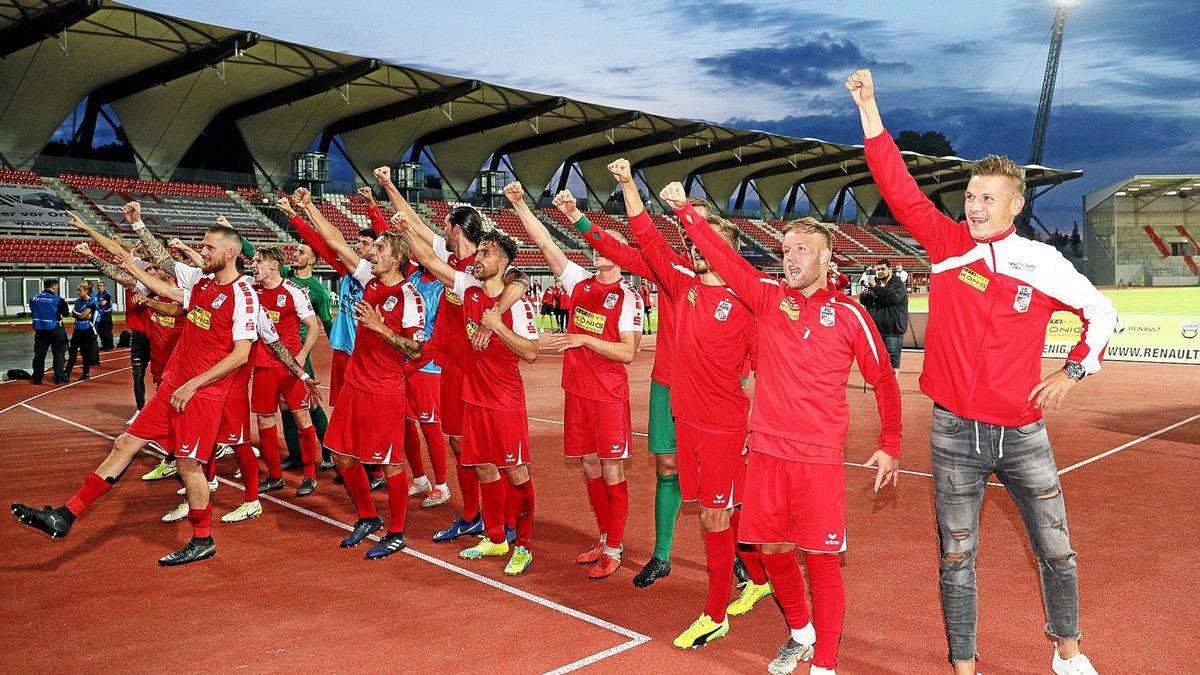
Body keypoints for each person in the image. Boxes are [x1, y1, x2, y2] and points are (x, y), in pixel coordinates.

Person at [849, 68, 1119, 675]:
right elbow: (898, 187)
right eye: (969, 196)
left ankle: (1069, 653)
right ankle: (963, 665)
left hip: (1023, 434)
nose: (973, 206)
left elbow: (1101, 314)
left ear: (1016, 203)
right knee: (956, 558)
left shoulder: (1043, 262)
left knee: (1057, 549)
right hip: (952, 434)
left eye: (987, 198)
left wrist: (1073, 370)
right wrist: (870, 109)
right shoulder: (947, 247)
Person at [665, 181, 901, 675]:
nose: (790, 257)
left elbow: (882, 377)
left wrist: (890, 443)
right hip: (767, 451)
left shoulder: (852, 315)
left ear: (827, 256)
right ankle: (801, 632)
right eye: (785, 249)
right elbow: (727, 263)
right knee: (770, 550)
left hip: (817, 457)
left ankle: (825, 665)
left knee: (820, 559)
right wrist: (688, 214)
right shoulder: (770, 299)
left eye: (801, 249)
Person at [11, 202, 260, 566]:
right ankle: (65, 516)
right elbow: (169, 274)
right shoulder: (201, 281)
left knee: (189, 465)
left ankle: (203, 539)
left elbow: (240, 355)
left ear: (231, 252)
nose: (201, 252)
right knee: (125, 442)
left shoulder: (244, 295)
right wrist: (138, 228)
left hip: (202, 394)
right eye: (202, 246)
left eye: (208, 248)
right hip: (173, 387)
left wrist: (193, 385)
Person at [590, 159, 770, 646]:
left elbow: (766, 376)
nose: (695, 246)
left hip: (724, 429)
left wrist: (760, 430)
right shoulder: (683, 285)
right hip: (685, 420)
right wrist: (629, 184)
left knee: (716, 516)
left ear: (730, 253)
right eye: (693, 239)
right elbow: (646, 238)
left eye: (706, 241)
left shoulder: (750, 306)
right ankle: (757, 578)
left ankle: (715, 614)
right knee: (724, 514)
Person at [373, 165, 529, 544]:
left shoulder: (484, 266)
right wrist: (390, 187)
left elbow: (521, 277)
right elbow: (417, 232)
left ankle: (505, 521)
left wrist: (494, 319)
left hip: (477, 368)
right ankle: (474, 514)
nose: (439, 229)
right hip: (449, 362)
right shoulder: (454, 261)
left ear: (457, 229)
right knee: (460, 442)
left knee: (486, 452)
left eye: (444, 225)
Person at [510, 181, 641, 579]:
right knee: (588, 467)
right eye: (597, 243)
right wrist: (519, 204)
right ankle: (603, 537)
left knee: (612, 468)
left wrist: (584, 337)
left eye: (609, 243)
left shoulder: (627, 295)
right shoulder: (578, 281)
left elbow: (628, 353)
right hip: (578, 393)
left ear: (619, 254)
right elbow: (546, 242)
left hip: (607, 396)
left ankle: (615, 548)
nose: (599, 247)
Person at [402, 214, 539, 575]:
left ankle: (523, 544)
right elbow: (431, 261)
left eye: (487, 254)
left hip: (505, 400)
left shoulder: (520, 306)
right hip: (473, 398)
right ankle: (495, 537)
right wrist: (404, 229)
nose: (477, 259)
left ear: (504, 263)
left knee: (516, 471)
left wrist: (495, 327)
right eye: (477, 252)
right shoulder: (468, 288)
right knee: (482, 466)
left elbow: (530, 352)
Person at [309, 208, 427, 560]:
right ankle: (367, 516)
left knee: (391, 463)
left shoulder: (410, 297)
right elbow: (334, 242)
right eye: (371, 247)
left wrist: (380, 328)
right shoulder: (369, 280)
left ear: (398, 257)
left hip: (384, 390)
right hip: (355, 386)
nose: (370, 252)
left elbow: (416, 351)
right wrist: (309, 208)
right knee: (342, 455)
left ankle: (396, 532)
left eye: (379, 247)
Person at [247, 247, 323, 497]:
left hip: (289, 366)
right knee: (264, 419)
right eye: (253, 260)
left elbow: (312, 327)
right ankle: (275, 475)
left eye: (259, 261)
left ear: (273, 266)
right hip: (262, 366)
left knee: (302, 418)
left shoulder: (294, 291)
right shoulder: (250, 288)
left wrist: (300, 357)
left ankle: (310, 474)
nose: (253, 265)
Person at [858, 259, 908, 375]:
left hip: (892, 331)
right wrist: (865, 295)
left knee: (892, 361)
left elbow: (891, 297)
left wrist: (874, 287)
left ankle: (892, 388)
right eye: (878, 269)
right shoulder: (875, 282)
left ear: (890, 269)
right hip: (876, 330)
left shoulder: (897, 284)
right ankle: (881, 385)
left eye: (883, 269)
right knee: (877, 360)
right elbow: (866, 302)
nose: (880, 271)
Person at [29, 278, 69, 385]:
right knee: (59, 354)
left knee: (39, 355)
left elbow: (33, 310)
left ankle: (37, 378)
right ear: (54, 286)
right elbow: (65, 314)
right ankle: (59, 377)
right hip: (55, 329)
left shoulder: (34, 298)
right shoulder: (58, 300)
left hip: (40, 329)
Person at [64, 281, 99, 381]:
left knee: (85, 353)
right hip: (77, 329)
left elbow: (82, 315)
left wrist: (77, 313)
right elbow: (80, 315)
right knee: (73, 352)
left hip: (87, 330)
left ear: (86, 291)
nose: (78, 292)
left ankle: (85, 373)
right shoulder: (78, 301)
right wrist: (79, 314)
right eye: (78, 291)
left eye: (80, 290)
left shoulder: (91, 303)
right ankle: (67, 373)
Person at [95, 281, 114, 350]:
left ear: (104, 287)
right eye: (98, 286)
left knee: (107, 331)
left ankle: (110, 345)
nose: (99, 287)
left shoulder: (107, 295)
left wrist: (95, 304)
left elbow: (103, 303)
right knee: (101, 331)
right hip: (99, 316)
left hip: (106, 315)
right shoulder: (97, 295)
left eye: (101, 285)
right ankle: (104, 345)